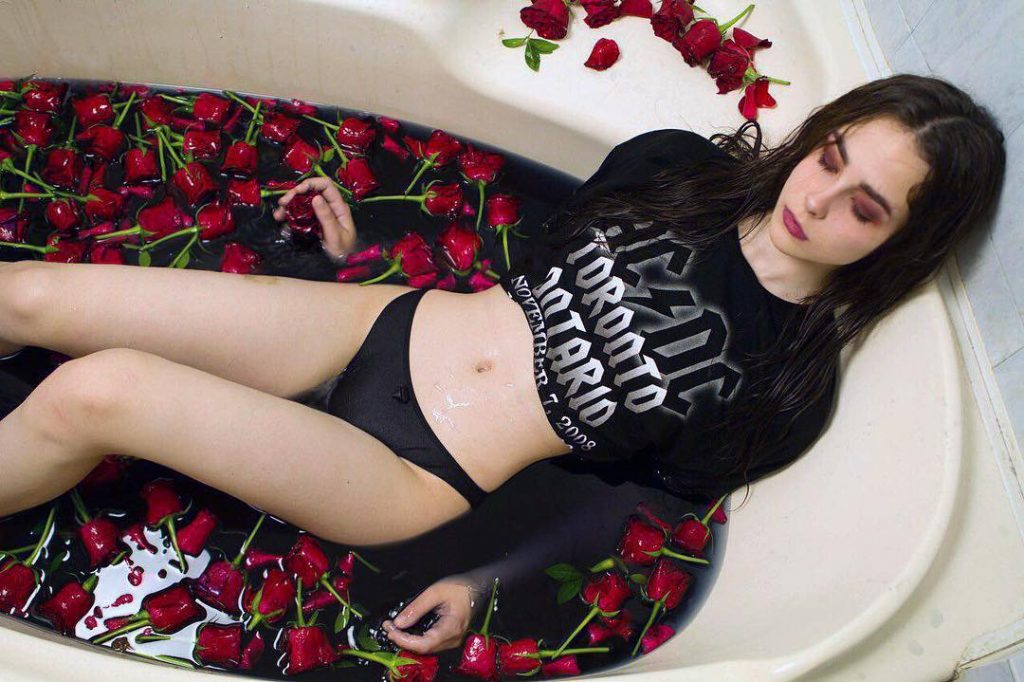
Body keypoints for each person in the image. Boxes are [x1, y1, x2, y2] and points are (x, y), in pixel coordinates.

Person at [0, 74, 1004, 579]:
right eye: (830, 157)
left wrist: (484, 583)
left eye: (863, 207)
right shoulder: (673, 169)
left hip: (412, 471)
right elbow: (520, 258)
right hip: (374, 323)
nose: (817, 200)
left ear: (898, 243)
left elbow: (635, 501)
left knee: (99, 392)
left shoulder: (783, 382)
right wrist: (358, 247)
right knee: (30, 297)